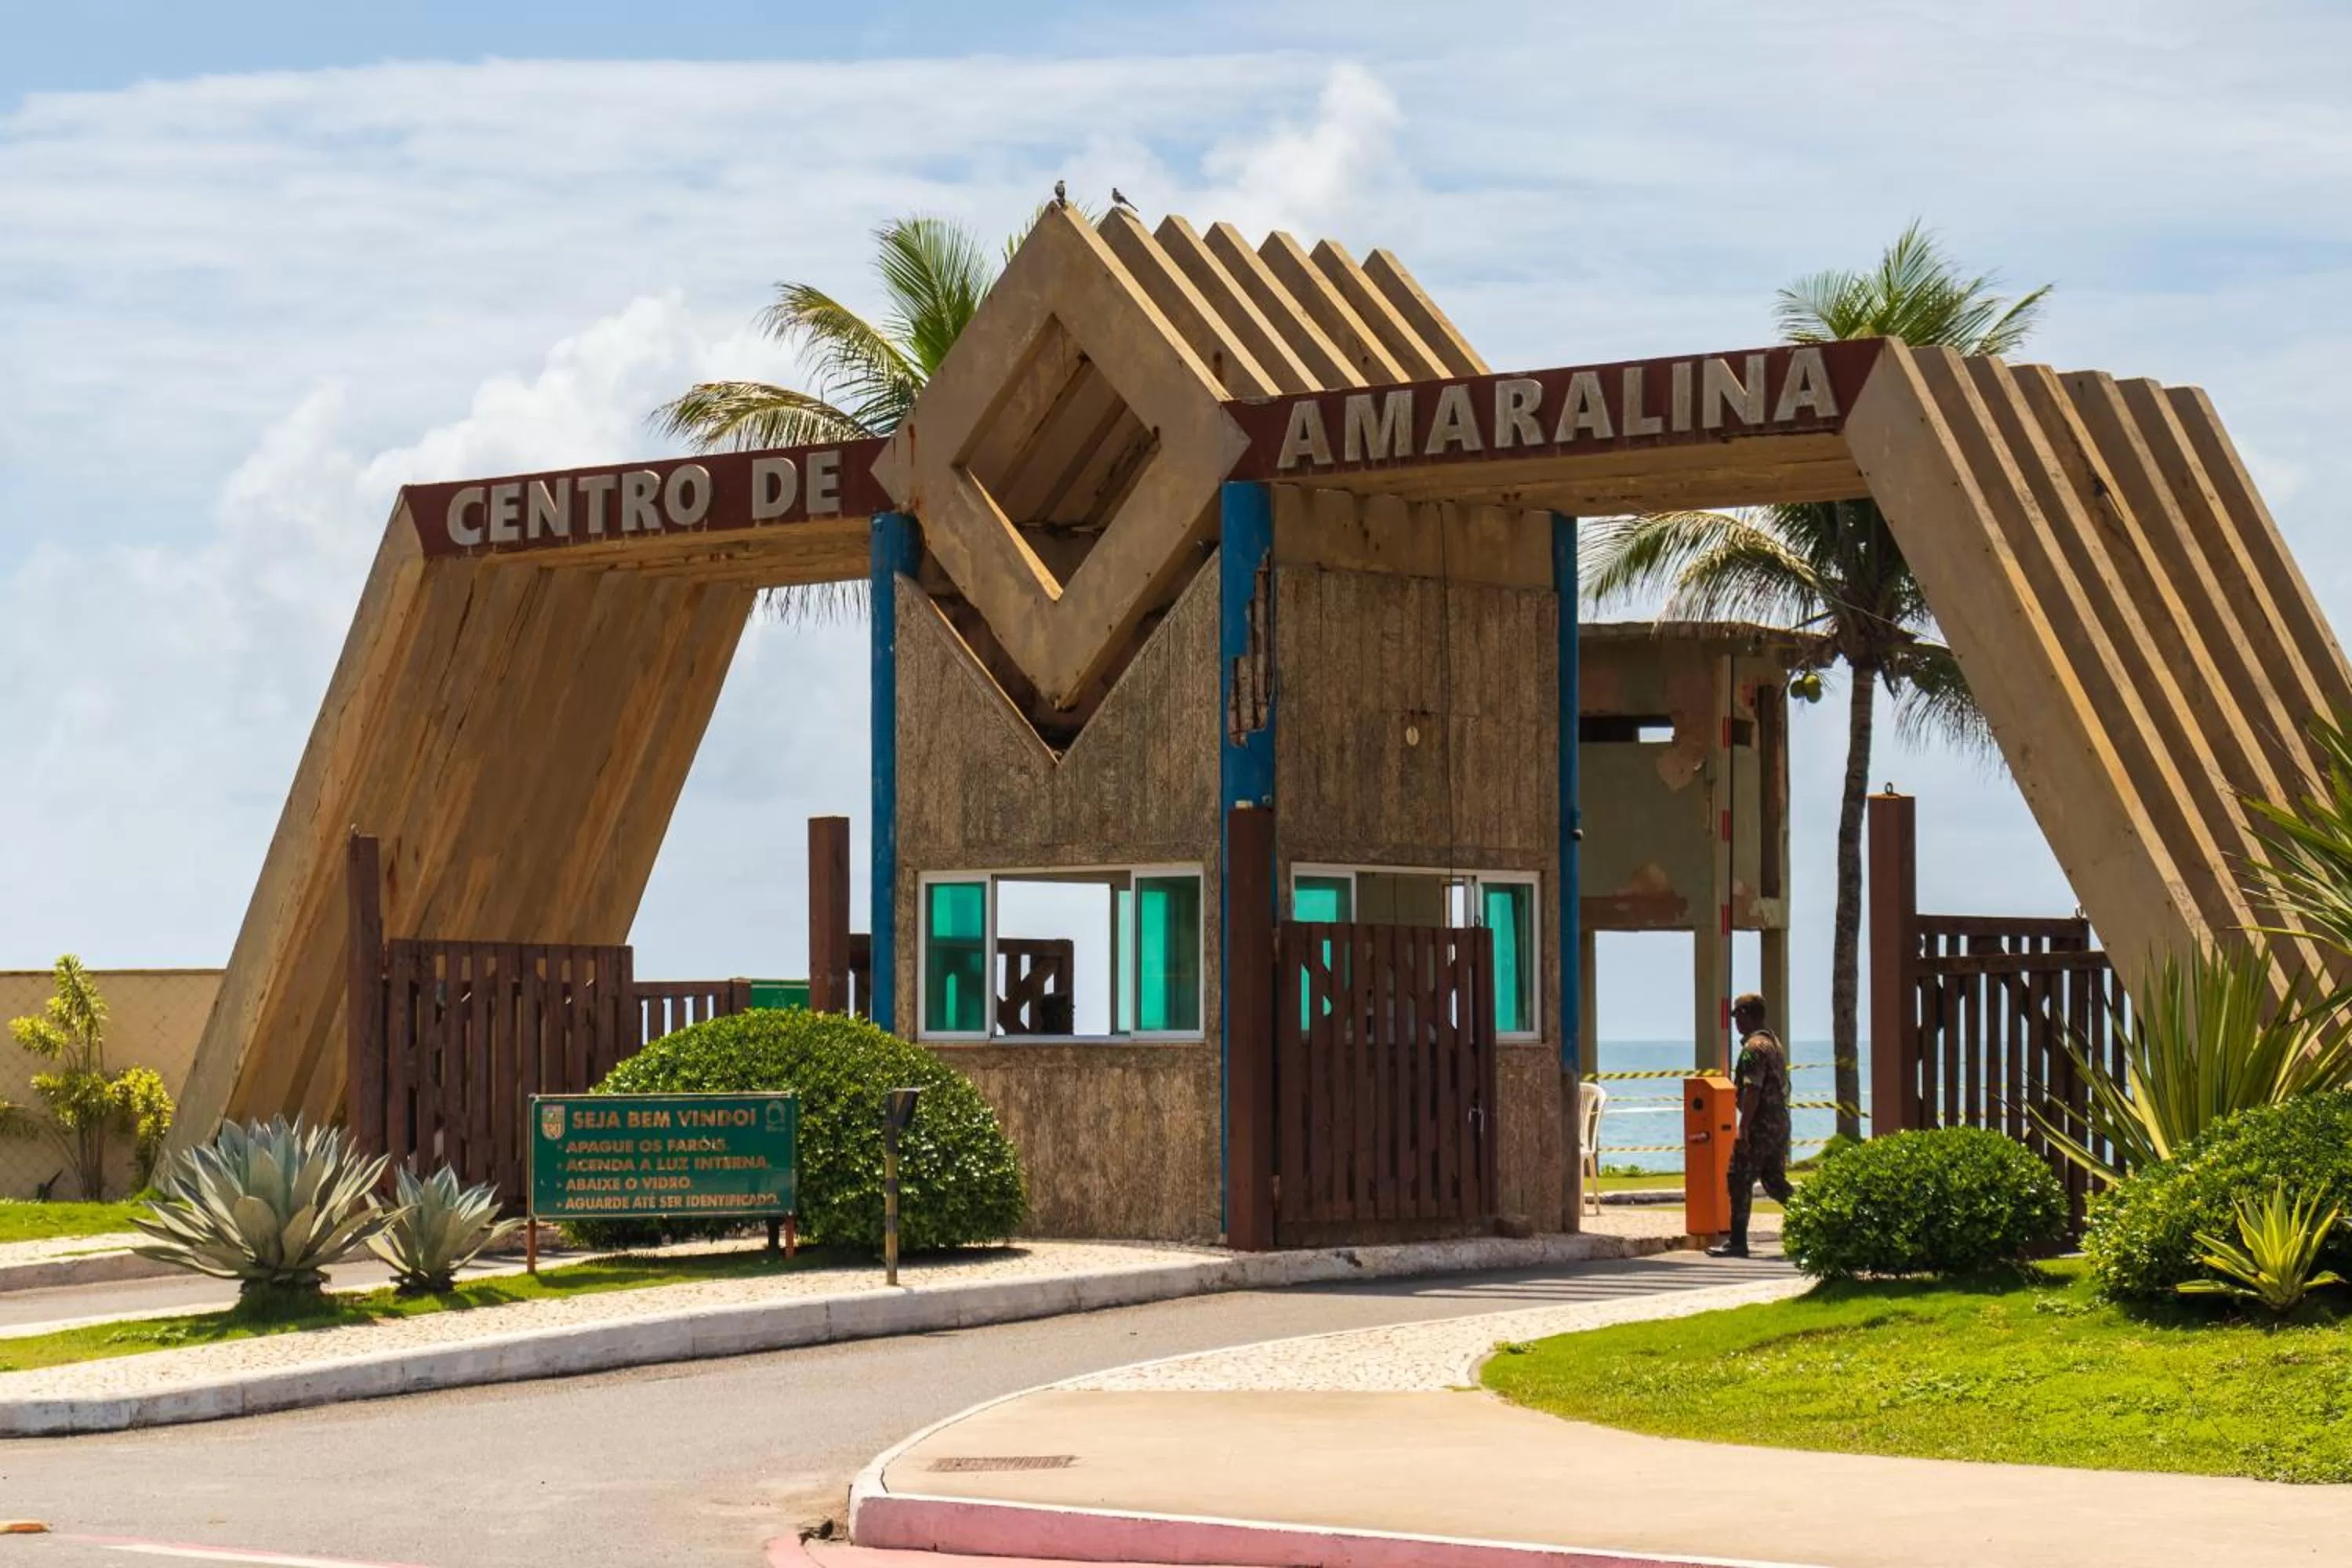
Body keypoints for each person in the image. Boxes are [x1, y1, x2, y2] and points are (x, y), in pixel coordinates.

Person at [1708, 993, 1792, 1258]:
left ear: (1746, 1014)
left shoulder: (1753, 1049)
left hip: (1760, 1124)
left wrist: (1744, 1127)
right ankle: (1817, 1219)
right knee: (1773, 1180)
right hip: (1779, 1121)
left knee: (1738, 1177)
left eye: (1737, 1016)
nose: (1736, 1023)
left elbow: (1752, 1090)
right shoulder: (1772, 1043)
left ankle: (1737, 1241)